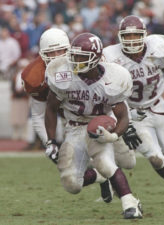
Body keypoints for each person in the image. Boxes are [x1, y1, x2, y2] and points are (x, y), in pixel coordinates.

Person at [44, 32, 142, 219]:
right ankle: (100, 177)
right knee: (71, 184)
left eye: (82, 57)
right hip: (75, 128)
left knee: (108, 163)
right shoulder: (63, 74)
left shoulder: (112, 78)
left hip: (100, 125)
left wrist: (113, 136)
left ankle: (131, 204)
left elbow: (122, 116)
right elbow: (50, 108)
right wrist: (51, 141)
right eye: (74, 56)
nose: (75, 61)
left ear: (95, 58)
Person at [103, 15, 164, 204]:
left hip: (157, 106)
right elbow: (108, 94)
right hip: (134, 113)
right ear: (120, 37)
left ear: (144, 35)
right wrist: (123, 121)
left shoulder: (156, 50)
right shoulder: (112, 58)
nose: (131, 40)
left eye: (135, 35)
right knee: (154, 157)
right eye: (127, 37)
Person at [21, 28, 113, 203]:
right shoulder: (35, 76)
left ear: (69, 49)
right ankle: (101, 177)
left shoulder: (84, 60)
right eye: (50, 52)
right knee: (68, 169)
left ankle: (116, 182)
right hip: (67, 116)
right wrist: (49, 143)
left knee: (113, 156)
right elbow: (39, 115)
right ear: (41, 54)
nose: (56, 56)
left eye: (61, 51)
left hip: (95, 111)